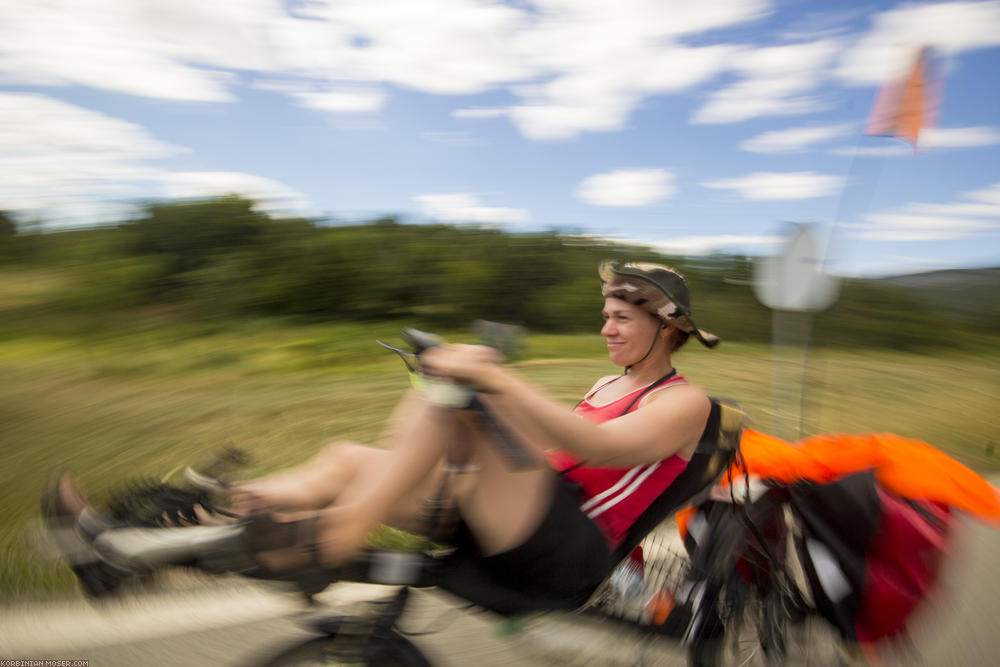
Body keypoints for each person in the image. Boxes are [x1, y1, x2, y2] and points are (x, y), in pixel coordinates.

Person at [49, 261, 721, 604]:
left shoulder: (685, 403)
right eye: (604, 315)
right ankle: (152, 542)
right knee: (346, 456)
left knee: (449, 400)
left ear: (668, 328)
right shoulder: (607, 386)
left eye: (620, 319)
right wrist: (478, 413)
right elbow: (552, 451)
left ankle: (336, 534)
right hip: (531, 510)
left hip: (568, 547)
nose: (606, 327)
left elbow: (599, 450)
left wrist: (490, 376)